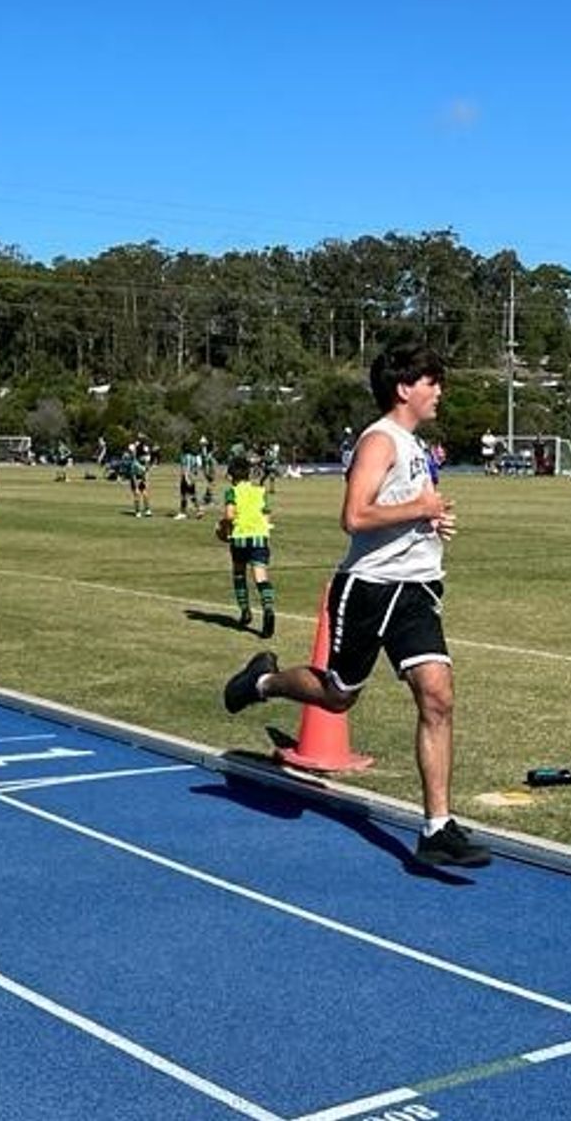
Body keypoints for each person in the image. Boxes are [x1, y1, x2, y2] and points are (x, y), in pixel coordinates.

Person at [222, 343, 490, 868]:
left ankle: (437, 828)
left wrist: (430, 521)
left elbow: (399, 510)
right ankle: (263, 681)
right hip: (369, 588)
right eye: (432, 381)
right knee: (339, 695)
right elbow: (355, 516)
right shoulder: (379, 440)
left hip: (416, 590)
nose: (440, 391)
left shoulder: (413, 445)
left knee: (437, 697)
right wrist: (420, 506)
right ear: (403, 388)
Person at [220, 456, 276, 635]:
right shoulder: (260, 491)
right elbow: (266, 515)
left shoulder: (232, 492)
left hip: (240, 537)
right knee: (261, 577)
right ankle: (268, 609)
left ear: (230, 476)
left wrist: (223, 527)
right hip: (260, 537)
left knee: (239, 574)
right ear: (249, 474)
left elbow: (229, 515)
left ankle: (245, 611)